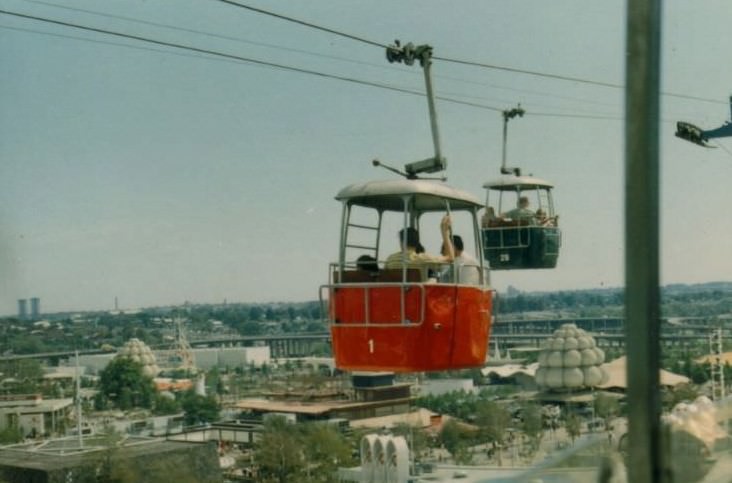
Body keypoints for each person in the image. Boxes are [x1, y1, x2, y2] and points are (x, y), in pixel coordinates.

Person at [384, 215, 454, 280]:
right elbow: (450, 258)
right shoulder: (421, 259)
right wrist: (444, 233)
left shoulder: (390, 259)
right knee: (433, 279)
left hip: (395, 292)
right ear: (417, 242)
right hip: (418, 292)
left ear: (402, 242)